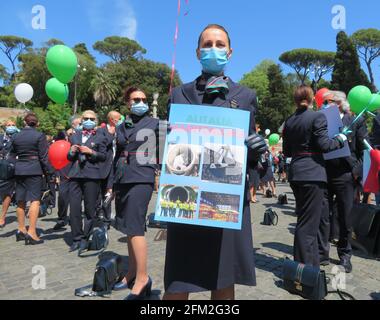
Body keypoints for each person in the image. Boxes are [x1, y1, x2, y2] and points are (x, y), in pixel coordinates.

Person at [163, 24, 267, 300]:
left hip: (225, 200)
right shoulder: (178, 95)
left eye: (220, 45)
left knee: (223, 278)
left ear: (230, 52)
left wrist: (256, 151)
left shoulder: (245, 96)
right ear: (197, 52)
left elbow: (251, 153)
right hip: (185, 198)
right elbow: (169, 152)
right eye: (207, 44)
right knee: (178, 279)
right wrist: (163, 140)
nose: (213, 49)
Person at [283, 86, 347, 267]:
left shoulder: (290, 120)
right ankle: (305, 268)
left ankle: (305, 263)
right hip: (312, 173)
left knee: (304, 219)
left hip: (296, 172)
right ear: (311, 99)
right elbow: (325, 145)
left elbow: (287, 150)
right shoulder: (317, 116)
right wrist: (340, 139)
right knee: (309, 224)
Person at [112, 87, 160, 300]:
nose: (141, 101)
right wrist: (111, 184)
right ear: (127, 103)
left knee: (135, 226)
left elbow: (172, 145)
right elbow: (117, 154)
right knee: (128, 228)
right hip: (123, 178)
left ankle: (143, 278)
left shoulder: (157, 123)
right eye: (136, 99)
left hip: (142, 177)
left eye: (143, 98)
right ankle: (131, 272)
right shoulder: (122, 125)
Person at [318, 91, 368, 273]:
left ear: (338, 103)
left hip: (346, 175)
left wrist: (356, 172)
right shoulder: (321, 120)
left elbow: (364, 149)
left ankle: (345, 255)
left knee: (345, 218)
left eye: (327, 102)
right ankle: (321, 254)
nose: (324, 105)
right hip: (323, 172)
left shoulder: (355, 121)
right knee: (323, 215)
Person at [9, 113, 54, 245]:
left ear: (24, 122)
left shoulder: (16, 136)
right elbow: (44, 157)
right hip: (34, 170)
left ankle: (21, 229)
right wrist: (50, 172)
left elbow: (11, 155)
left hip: (19, 169)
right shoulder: (39, 135)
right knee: (35, 200)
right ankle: (32, 232)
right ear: (37, 123)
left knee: (20, 200)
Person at [67, 110, 107, 252]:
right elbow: (69, 157)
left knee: (90, 209)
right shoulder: (74, 135)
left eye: (91, 118)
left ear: (95, 121)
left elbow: (103, 156)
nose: (88, 120)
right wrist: (71, 151)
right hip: (75, 175)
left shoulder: (101, 136)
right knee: (74, 208)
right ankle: (76, 238)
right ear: (81, 120)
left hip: (92, 175)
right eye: (86, 118)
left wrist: (91, 152)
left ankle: (85, 238)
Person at [96, 111, 121, 228]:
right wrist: (111, 135)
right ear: (111, 119)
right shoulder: (101, 130)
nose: (119, 120)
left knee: (109, 193)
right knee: (102, 194)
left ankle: (107, 219)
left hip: (116, 166)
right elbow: (101, 144)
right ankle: (101, 217)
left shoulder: (120, 130)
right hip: (103, 167)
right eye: (118, 118)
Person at [0, 120, 19, 228]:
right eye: (9, 125)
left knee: (7, 193)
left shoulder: (17, 138)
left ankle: (2, 217)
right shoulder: (0, 137)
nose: (11, 127)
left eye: (13, 125)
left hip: (10, 169)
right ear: (4, 127)